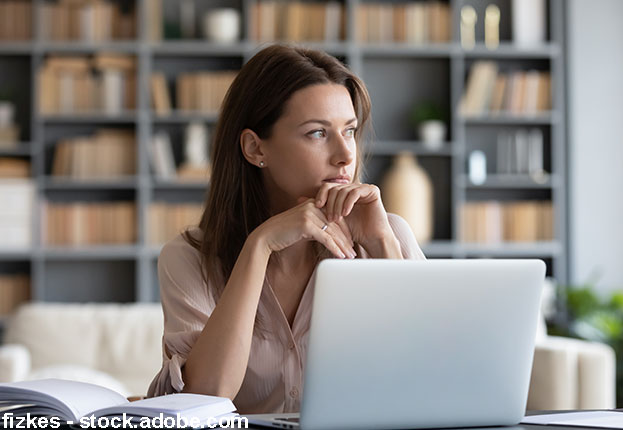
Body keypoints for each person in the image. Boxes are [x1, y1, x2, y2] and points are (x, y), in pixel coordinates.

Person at [147, 44, 426, 414]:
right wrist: (258, 246)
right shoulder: (189, 258)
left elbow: (427, 376)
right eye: (317, 133)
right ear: (254, 148)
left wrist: (381, 245)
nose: (345, 154)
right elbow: (206, 397)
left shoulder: (387, 234)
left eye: (350, 131)